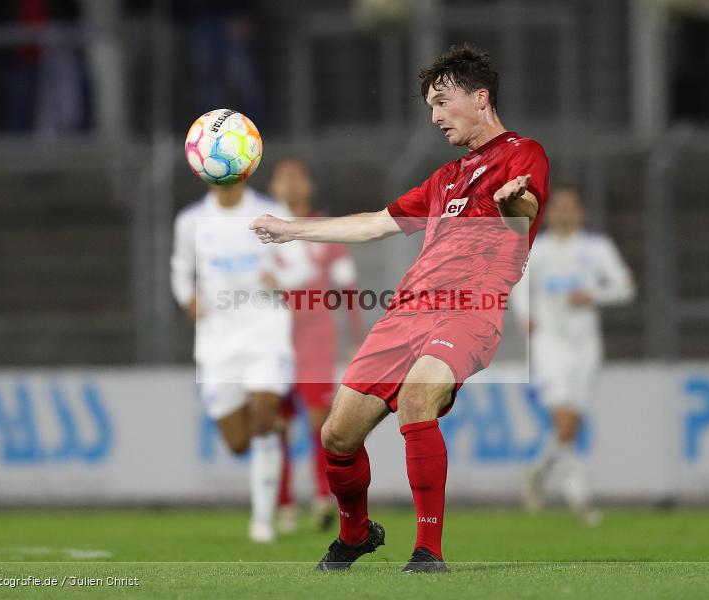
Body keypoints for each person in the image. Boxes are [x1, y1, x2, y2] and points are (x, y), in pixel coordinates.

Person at [249, 45, 550, 573]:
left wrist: (511, 203)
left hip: (468, 309)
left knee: (417, 401)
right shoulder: (446, 179)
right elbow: (375, 222)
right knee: (336, 435)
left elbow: (523, 216)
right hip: (407, 312)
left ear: (480, 99)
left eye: (442, 101)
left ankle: (428, 551)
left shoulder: (524, 155)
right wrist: (291, 229)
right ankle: (357, 533)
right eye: (429, 106)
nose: (434, 116)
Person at [171, 181, 313, 543]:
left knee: (264, 416)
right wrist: (188, 297)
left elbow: (302, 266)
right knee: (236, 443)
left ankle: (262, 521)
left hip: (266, 333)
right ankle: (274, 429)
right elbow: (179, 269)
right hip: (217, 343)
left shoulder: (267, 211)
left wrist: (280, 279)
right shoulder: (191, 221)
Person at [512, 185, 635, 524]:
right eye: (559, 207)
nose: (564, 212)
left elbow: (625, 288)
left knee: (572, 424)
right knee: (564, 419)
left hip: (585, 345)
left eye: (571, 206)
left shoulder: (596, 248)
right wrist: (525, 316)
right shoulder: (537, 248)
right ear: (549, 214)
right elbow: (518, 282)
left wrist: (593, 294)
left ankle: (537, 470)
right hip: (549, 343)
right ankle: (579, 494)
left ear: (581, 213)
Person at [268, 159, 365, 534]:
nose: (291, 185)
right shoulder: (262, 229)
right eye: (283, 178)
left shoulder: (325, 229)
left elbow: (347, 286)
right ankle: (284, 504)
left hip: (315, 335)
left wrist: (356, 336)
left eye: (298, 178)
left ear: (308, 186)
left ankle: (322, 498)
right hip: (273, 335)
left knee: (316, 419)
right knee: (275, 423)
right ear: (274, 188)